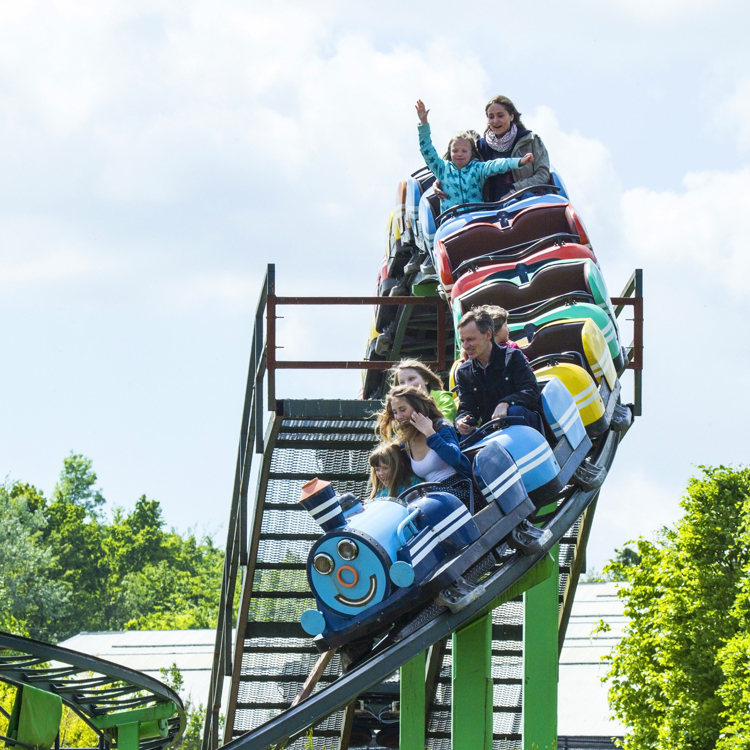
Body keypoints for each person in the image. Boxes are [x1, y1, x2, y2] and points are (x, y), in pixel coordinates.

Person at [414, 99, 533, 211]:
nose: (459, 154)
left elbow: (498, 164)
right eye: (455, 151)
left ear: (471, 153)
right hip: (452, 220)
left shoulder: (477, 168)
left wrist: (520, 162)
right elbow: (427, 150)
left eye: (464, 151)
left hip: (477, 217)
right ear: (450, 153)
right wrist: (423, 123)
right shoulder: (442, 169)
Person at [435, 95, 552, 203]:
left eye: (500, 116)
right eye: (491, 117)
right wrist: (438, 183)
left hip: (526, 199)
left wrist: (515, 190)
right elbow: (457, 169)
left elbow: (543, 174)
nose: (495, 121)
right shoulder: (480, 147)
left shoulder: (530, 140)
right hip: (491, 208)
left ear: (511, 116)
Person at [375, 385, 474, 508]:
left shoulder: (441, 427)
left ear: (417, 407)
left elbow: (454, 457)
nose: (399, 416)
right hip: (432, 494)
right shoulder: (407, 443)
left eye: (402, 409)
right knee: (411, 501)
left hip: (458, 488)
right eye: (395, 412)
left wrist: (430, 433)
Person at [453, 308, 542, 437]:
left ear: (488, 335)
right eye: (462, 341)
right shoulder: (464, 372)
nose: (465, 346)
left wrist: (506, 403)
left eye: (470, 339)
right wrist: (461, 422)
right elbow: (467, 408)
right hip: (492, 431)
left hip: (526, 426)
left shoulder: (513, 357)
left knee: (513, 412)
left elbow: (532, 391)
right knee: (462, 435)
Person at [392, 358, 457, 421]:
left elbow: (445, 422)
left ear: (425, 380)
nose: (407, 385)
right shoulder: (398, 406)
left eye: (411, 379)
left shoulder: (442, 398)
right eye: (402, 383)